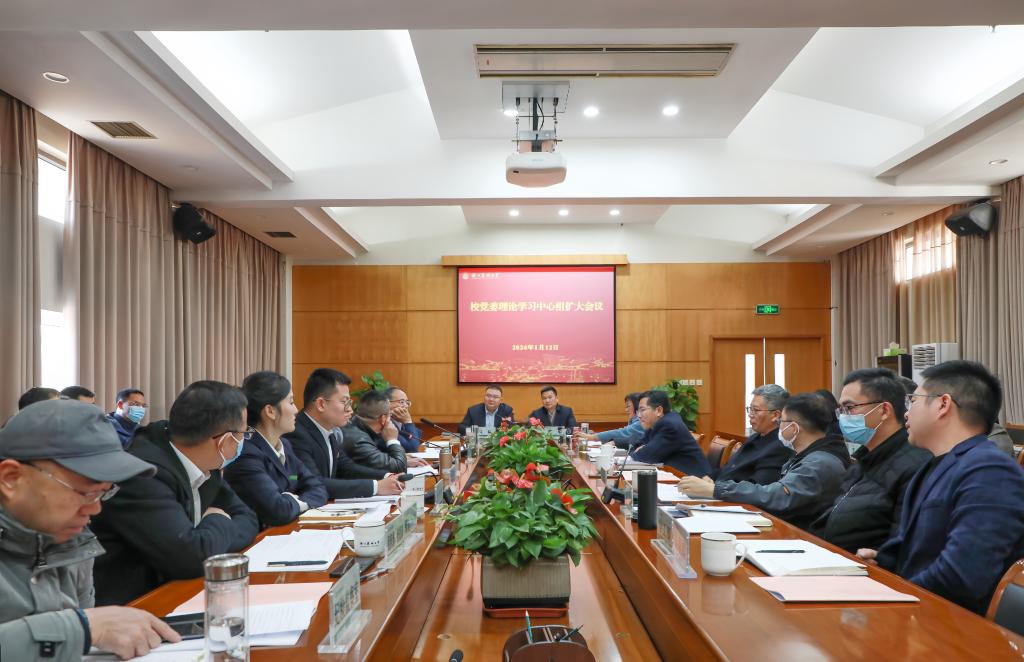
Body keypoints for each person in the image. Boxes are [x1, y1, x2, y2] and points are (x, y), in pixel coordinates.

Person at [0, 399, 181, 660]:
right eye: (85, 492)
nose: (95, 509)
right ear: (11, 478)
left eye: (103, 493)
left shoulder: (74, 541)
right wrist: (82, 628)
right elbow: (83, 630)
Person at [857, 360, 1024, 615]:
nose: (906, 413)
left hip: (952, 623)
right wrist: (884, 560)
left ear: (943, 404)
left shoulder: (990, 469)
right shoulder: (935, 464)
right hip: (920, 608)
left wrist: (898, 595)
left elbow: (962, 574)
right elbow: (921, 545)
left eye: (912, 401)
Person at [89, 381, 260, 606]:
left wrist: (207, 542)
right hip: (136, 605)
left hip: (181, 591)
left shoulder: (207, 463)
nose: (243, 440)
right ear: (224, 440)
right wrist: (218, 519)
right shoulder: (144, 473)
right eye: (243, 434)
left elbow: (248, 519)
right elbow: (190, 558)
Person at [680, 393, 851, 529]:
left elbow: (776, 495)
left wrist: (716, 489)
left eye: (781, 421)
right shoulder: (805, 455)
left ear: (794, 428)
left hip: (802, 536)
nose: (779, 427)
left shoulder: (820, 463)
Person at [809, 369, 930, 552]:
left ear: (884, 410)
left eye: (850, 408)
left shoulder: (914, 465)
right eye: (841, 410)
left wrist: (879, 557)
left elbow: (902, 544)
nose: (843, 417)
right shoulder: (863, 460)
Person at [225, 371, 328, 527]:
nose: (296, 410)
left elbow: (317, 487)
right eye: (291, 402)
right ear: (270, 411)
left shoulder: (285, 445)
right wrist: (299, 501)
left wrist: (292, 500)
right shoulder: (245, 453)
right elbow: (278, 510)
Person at [285, 369, 403, 500]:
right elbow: (313, 482)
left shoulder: (328, 431)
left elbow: (347, 468)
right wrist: (376, 487)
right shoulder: (296, 434)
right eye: (344, 402)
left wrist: (387, 476)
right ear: (321, 404)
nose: (350, 409)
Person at [713, 384, 792, 485]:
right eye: (750, 409)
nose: (750, 415)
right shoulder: (754, 437)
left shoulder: (780, 447)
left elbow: (756, 488)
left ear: (775, 415)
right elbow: (728, 470)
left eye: (756, 410)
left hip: (731, 494)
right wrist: (707, 479)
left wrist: (713, 488)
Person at [630, 390, 711, 475]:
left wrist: (642, 450)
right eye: (638, 411)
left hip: (695, 479)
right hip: (676, 475)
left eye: (642, 410)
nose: (639, 415)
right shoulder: (655, 424)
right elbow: (636, 447)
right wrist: (642, 449)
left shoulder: (669, 426)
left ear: (659, 411)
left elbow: (645, 456)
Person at [342, 391, 414, 473]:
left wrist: (402, 460)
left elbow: (377, 462)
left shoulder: (358, 428)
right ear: (383, 419)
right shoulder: (359, 440)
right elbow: (399, 468)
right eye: (389, 415)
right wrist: (392, 440)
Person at [578, 392, 644, 449]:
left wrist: (593, 437)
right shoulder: (633, 421)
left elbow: (622, 432)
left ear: (637, 406)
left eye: (628, 406)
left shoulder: (641, 422)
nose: (626, 410)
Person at [386, 386, 421, 453]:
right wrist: (408, 422)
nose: (406, 406)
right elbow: (413, 449)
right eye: (401, 402)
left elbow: (419, 434)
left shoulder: (400, 422)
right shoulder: (385, 425)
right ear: (387, 404)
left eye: (407, 402)